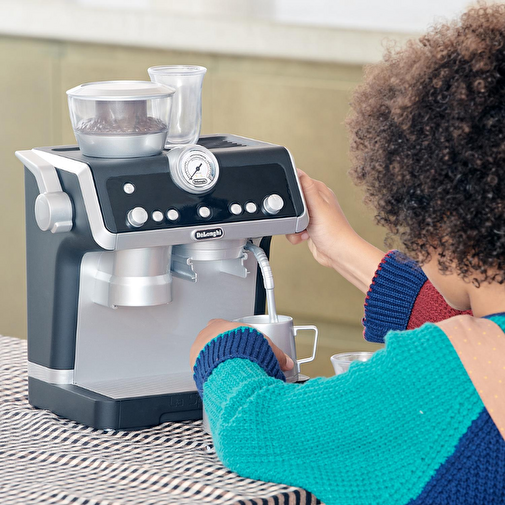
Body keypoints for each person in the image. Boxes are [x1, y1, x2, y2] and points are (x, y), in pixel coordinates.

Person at [190, 3, 505, 504]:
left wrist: (224, 351)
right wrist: (340, 247)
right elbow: (480, 328)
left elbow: (256, 426)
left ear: (441, 215)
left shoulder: (437, 380)